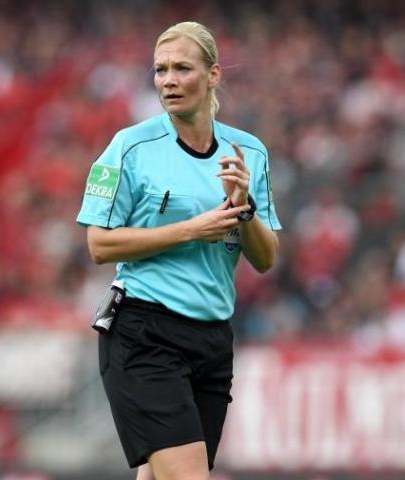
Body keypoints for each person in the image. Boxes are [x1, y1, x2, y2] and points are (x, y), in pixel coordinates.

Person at [76, 21, 281, 480]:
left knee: (160, 476)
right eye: (160, 69)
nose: (168, 80)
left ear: (212, 75)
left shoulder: (249, 153)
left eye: (182, 68)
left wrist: (242, 206)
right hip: (143, 331)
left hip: (212, 339)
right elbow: (99, 244)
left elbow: (266, 258)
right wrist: (191, 230)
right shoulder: (130, 147)